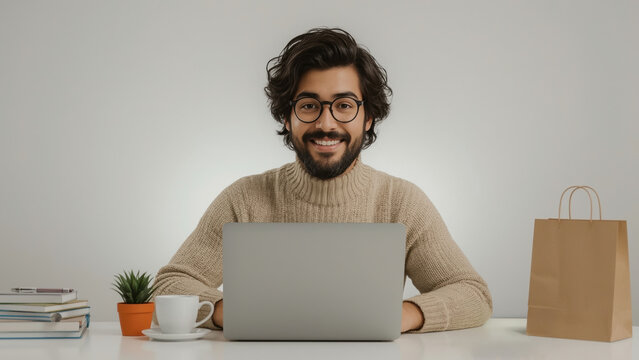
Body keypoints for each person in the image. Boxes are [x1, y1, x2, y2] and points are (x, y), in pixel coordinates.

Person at [154, 27, 492, 333]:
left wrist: (401, 316)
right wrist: (235, 313)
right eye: (309, 105)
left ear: (368, 117)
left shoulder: (401, 201)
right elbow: (170, 284)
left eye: (344, 105)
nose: (327, 123)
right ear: (287, 117)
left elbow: (473, 294)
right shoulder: (244, 198)